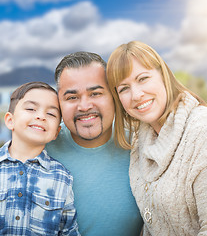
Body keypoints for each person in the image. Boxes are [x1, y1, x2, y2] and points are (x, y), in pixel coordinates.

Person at [106, 40, 207, 235]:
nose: (136, 94)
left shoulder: (206, 129)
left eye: (143, 78)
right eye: (123, 88)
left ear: (164, 75)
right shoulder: (140, 139)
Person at [0, 81, 80, 235]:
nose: (41, 116)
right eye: (31, 108)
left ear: (56, 132)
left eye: (51, 114)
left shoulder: (61, 177)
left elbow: (68, 230)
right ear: (10, 120)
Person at [45, 51, 143, 235]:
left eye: (95, 93)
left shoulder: (141, 146)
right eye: (72, 97)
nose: (84, 106)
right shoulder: (41, 151)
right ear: (58, 103)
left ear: (114, 96)